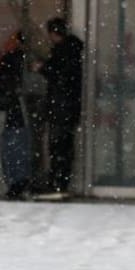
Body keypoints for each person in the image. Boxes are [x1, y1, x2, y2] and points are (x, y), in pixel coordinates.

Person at [32, 17, 83, 199]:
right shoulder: (73, 50)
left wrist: (44, 68)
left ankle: (58, 182)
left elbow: (61, 76)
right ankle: (60, 182)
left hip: (61, 106)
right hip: (67, 106)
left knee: (58, 146)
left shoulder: (64, 52)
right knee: (63, 145)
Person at [0, 30, 32, 199]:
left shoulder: (12, 59)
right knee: (17, 144)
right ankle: (19, 181)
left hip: (13, 110)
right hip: (15, 110)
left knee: (13, 144)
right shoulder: (21, 60)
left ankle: (17, 181)